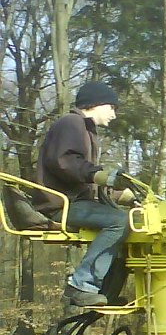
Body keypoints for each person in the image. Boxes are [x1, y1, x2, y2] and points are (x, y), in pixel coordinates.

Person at [34, 81, 132, 306]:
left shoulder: (84, 130)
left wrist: (121, 195)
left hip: (74, 202)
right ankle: (80, 286)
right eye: (112, 107)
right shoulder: (71, 123)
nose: (114, 115)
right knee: (119, 221)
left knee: (133, 224)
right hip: (60, 206)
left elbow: (82, 178)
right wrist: (98, 174)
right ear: (96, 103)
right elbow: (64, 162)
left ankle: (106, 291)